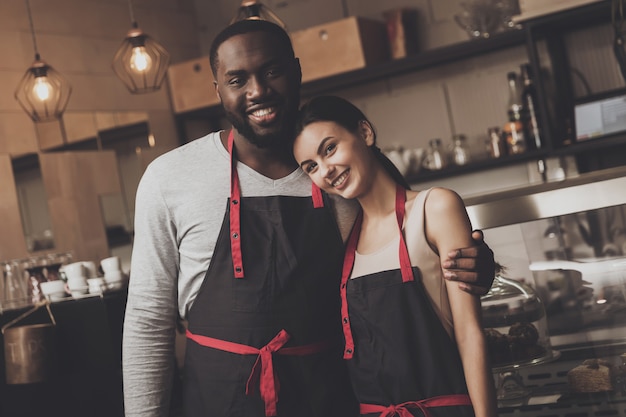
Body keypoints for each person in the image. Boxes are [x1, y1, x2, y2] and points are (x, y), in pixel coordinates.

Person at [122, 20, 495, 417]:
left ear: (297, 72)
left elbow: (406, 276)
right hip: (219, 400)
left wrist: (473, 268)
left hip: (331, 397)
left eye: (272, 71)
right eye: (237, 80)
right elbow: (148, 320)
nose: (258, 91)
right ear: (218, 91)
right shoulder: (170, 178)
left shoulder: (343, 180)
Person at [292, 95, 498, 417]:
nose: (326, 170)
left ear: (365, 132)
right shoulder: (345, 239)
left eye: (329, 148)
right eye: (311, 167)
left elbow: (469, 333)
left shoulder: (435, 208)